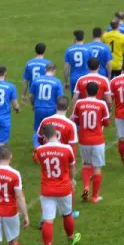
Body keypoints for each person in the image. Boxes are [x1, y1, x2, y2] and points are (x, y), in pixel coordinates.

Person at [33, 124, 81, 245]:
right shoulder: (67, 149)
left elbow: (35, 159)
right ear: (56, 134)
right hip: (63, 187)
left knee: (48, 220)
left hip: (47, 188)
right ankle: (71, 238)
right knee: (66, 214)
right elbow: (71, 167)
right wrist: (71, 179)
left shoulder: (40, 150)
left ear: (44, 136)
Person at [36, 95, 81, 226]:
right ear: (67, 108)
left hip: (48, 157)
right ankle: (68, 212)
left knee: (47, 185)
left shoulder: (46, 121)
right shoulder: (70, 124)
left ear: (56, 106)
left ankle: (44, 217)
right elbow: (72, 147)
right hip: (63, 158)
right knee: (67, 184)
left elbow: (39, 138)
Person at [71, 82, 110, 203]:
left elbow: (75, 119)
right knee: (97, 167)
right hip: (97, 140)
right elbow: (107, 122)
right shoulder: (102, 104)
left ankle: (86, 187)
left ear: (86, 91)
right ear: (98, 92)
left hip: (84, 139)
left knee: (86, 164)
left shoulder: (79, 103)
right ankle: (95, 196)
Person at [30, 63, 64, 148]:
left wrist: (33, 105)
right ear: (54, 71)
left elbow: (31, 96)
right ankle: (49, 148)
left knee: (37, 129)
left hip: (39, 108)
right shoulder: (57, 82)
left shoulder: (36, 80)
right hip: (51, 109)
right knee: (51, 129)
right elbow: (60, 98)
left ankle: (37, 149)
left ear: (45, 70)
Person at [64, 30, 91, 96]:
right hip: (86, 78)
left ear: (75, 38)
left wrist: (66, 81)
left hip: (74, 78)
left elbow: (66, 68)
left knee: (74, 100)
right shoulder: (88, 50)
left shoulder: (69, 50)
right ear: (83, 38)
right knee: (85, 99)